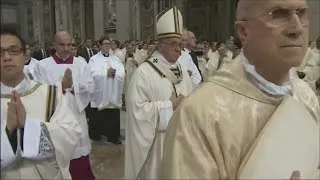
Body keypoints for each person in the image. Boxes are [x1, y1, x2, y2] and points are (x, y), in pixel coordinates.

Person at [160, 0, 319, 179]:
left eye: (302, 13)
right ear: (244, 31)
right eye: (279, 14)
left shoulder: (307, 97)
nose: (297, 29)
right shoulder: (200, 115)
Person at [1, 27, 81, 179]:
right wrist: (7, 131)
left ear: (25, 55)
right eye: (0, 52)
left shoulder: (50, 94)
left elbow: (71, 135)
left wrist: (29, 126)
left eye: (13, 51)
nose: (6, 57)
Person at [125, 6, 193, 179]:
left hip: (181, 141)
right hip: (157, 147)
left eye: (180, 44)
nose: (179, 49)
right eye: (173, 44)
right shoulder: (144, 73)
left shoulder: (183, 70)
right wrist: (168, 106)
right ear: (160, 45)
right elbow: (136, 111)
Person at [32, 31, 95, 180]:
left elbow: (91, 86)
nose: (66, 48)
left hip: (76, 114)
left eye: (69, 44)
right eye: (62, 44)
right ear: (54, 44)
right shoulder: (42, 66)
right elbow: (37, 92)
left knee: (79, 155)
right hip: (54, 118)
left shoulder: (81, 63)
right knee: (58, 154)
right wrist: (60, 86)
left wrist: (73, 86)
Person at [88, 36, 124, 144]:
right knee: (98, 114)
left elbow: (122, 73)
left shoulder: (116, 59)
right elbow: (91, 74)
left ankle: (113, 136)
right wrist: (105, 74)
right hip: (100, 92)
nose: (108, 46)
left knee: (112, 113)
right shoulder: (93, 59)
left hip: (112, 91)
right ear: (100, 45)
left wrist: (115, 73)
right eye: (105, 44)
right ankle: (96, 134)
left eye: (109, 44)